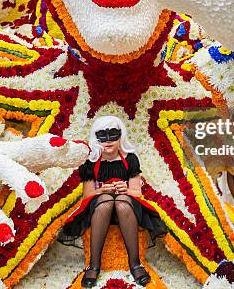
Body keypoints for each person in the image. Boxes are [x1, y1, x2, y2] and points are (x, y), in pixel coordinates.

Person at [58, 116, 167, 287]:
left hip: (127, 209)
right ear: (95, 138)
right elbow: (87, 196)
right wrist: (101, 190)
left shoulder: (130, 159)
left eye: (113, 135)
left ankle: (135, 263)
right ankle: (93, 265)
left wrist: (126, 189)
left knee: (122, 202)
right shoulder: (90, 162)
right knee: (107, 200)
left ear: (120, 136)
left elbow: (137, 193)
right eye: (102, 136)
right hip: (100, 207)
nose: (108, 141)